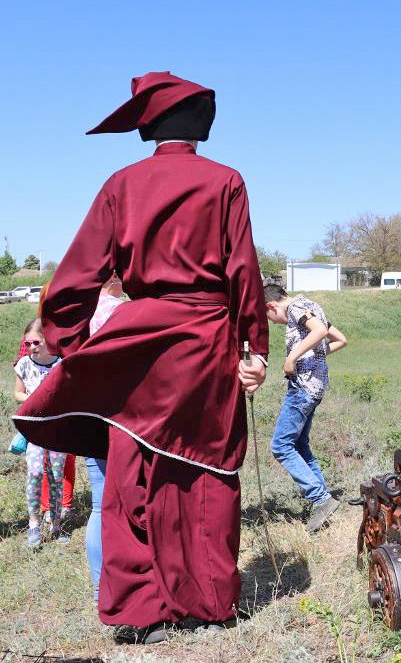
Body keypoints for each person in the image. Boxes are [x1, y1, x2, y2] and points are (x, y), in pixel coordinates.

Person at [12, 72, 268, 645]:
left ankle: (139, 611)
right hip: (206, 341)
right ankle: (207, 601)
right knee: (205, 467)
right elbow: (243, 272)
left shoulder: (121, 184)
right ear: (199, 124)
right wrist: (253, 348)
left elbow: (74, 277)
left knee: (135, 470)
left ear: (149, 126)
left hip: (139, 343)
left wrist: (77, 346)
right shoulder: (226, 181)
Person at [263, 283, 346, 533]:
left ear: (271, 306)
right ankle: (324, 499)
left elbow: (319, 331)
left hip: (303, 389)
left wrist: (292, 358)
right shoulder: (312, 305)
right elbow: (341, 340)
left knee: (280, 446)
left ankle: (320, 499)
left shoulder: (296, 307)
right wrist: (315, 357)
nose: (273, 321)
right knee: (299, 445)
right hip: (316, 387)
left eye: (268, 316)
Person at [82, 273, 125, 603]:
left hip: (86, 412)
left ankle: (101, 588)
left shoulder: (80, 313)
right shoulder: (119, 310)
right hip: (120, 414)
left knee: (99, 504)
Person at [13, 318, 67, 548]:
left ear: (48, 341)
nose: (32, 347)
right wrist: (35, 400)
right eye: (28, 344)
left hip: (56, 430)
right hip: (34, 430)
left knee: (56, 475)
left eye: (36, 342)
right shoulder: (24, 364)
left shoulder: (61, 365)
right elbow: (17, 393)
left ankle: (55, 524)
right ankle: (34, 524)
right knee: (34, 474)